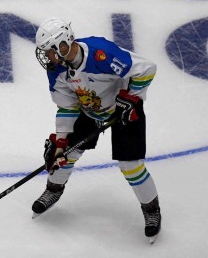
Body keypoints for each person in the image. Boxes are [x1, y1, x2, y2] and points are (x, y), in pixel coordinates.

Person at [32, 17, 162, 242]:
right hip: (90, 110)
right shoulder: (57, 69)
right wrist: (61, 142)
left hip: (124, 110)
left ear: (62, 46)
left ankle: (152, 210)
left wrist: (131, 98)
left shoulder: (101, 54)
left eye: (49, 51)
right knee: (64, 155)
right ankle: (54, 190)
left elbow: (147, 69)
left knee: (131, 166)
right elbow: (68, 106)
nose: (47, 57)